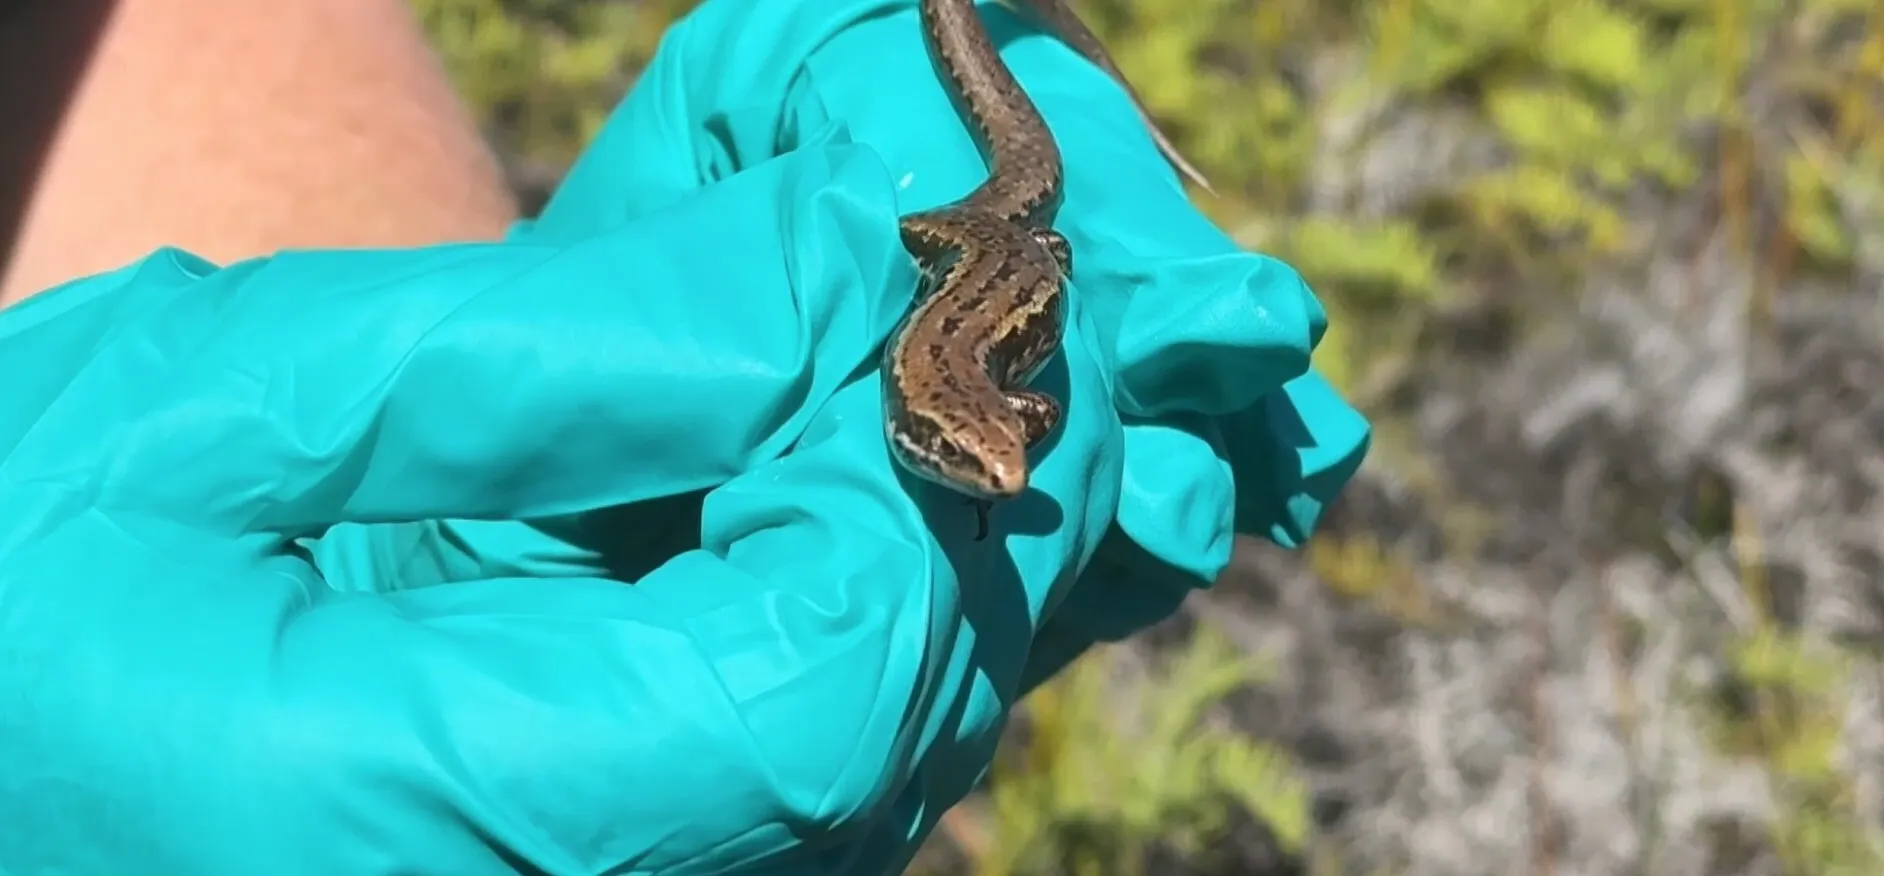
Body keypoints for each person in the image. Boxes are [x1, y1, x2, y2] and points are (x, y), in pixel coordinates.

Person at [0, 0, 1370, 873]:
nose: (984, 471)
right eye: (963, 454)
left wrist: (423, 527)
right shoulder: (915, 410)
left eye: (974, 457)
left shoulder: (958, 403)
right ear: (922, 432)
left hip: (993, 263)